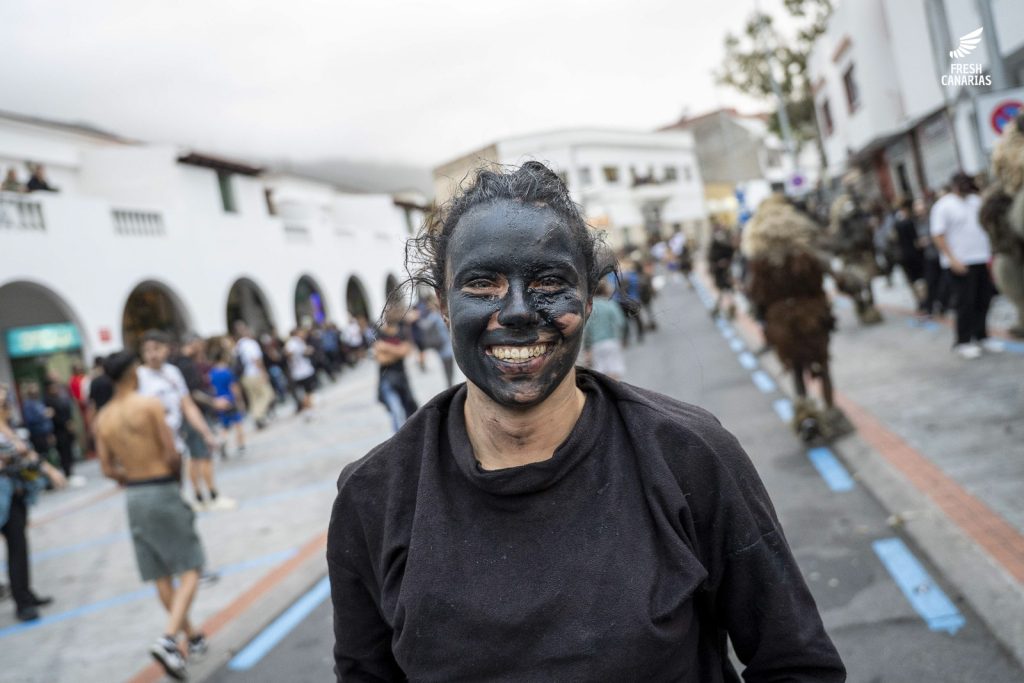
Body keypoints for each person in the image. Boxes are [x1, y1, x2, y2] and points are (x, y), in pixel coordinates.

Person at [327, 162, 844, 680]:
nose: (518, 311)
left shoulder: (689, 456)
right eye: (482, 284)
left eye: (549, 282)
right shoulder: (372, 498)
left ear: (590, 298)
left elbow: (797, 663)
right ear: (442, 304)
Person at [94, 351, 207, 680]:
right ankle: (170, 638)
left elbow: (106, 468)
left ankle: (192, 636)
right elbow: (171, 453)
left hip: (134, 494)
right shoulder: (149, 405)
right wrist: (168, 477)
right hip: (160, 486)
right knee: (191, 566)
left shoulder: (103, 417)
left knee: (160, 572)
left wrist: (130, 476)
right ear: (132, 373)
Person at [1, 384, 66, 622]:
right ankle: (23, 601)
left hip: (14, 493)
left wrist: (49, 471)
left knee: (18, 546)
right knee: (16, 546)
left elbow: (27, 453)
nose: (6, 405)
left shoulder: (7, 426)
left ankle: (25, 595)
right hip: (3, 496)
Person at [136, 331, 220, 507]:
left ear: (166, 349)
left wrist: (206, 433)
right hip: (152, 446)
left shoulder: (172, 372)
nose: (152, 354)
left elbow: (187, 405)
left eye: (156, 349)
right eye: (147, 350)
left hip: (175, 444)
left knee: (176, 490)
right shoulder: (138, 376)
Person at [930, 172, 1002, 359]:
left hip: (980, 258)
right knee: (965, 303)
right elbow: (938, 235)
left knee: (983, 299)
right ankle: (963, 341)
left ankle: (982, 336)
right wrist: (952, 259)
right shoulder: (943, 205)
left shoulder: (975, 201)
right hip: (960, 262)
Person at [171, 334, 235, 510]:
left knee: (194, 457)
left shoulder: (177, 363)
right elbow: (192, 394)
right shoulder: (186, 365)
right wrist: (213, 402)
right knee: (204, 455)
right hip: (195, 415)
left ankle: (199, 496)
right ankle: (212, 495)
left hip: (189, 416)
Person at [373, 305, 419, 431]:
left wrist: (386, 348)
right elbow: (381, 358)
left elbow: (406, 351)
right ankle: (398, 438)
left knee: (408, 408)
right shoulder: (380, 334)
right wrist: (397, 352)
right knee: (396, 411)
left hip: (401, 378)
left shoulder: (402, 332)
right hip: (387, 379)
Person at [583, 279, 627, 379]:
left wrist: (587, 348)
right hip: (611, 341)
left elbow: (587, 329)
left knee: (601, 375)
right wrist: (622, 338)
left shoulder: (589, 309)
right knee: (615, 371)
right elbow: (621, 322)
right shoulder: (611, 304)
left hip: (596, 344)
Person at [233, 322, 274, 429]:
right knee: (267, 394)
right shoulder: (250, 343)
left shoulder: (238, 345)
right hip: (254, 373)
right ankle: (258, 415)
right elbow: (256, 360)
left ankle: (258, 417)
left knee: (254, 398)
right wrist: (263, 372)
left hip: (244, 376)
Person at [208, 348, 247, 457]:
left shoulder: (212, 373)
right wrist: (239, 400)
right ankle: (241, 445)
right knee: (238, 423)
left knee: (225, 426)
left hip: (219, 401)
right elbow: (234, 387)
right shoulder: (227, 372)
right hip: (230, 400)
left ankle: (223, 441)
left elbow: (212, 389)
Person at [44, 380, 77, 479]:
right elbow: (53, 416)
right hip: (58, 430)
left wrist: (70, 422)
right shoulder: (48, 401)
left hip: (66, 429)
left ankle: (70, 471)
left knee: (69, 450)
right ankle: (67, 472)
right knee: (63, 452)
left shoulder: (61, 398)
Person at [707, 221, 737, 319]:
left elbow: (731, 253)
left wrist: (727, 262)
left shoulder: (726, 240)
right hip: (719, 271)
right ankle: (719, 308)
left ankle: (728, 308)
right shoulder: (714, 243)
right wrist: (716, 265)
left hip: (727, 270)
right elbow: (711, 257)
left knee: (727, 290)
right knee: (722, 290)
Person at [285, 328, 317, 418]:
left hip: (302, 371)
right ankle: (308, 410)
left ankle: (309, 409)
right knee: (307, 392)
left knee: (307, 393)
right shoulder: (293, 342)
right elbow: (289, 353)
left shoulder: (297, 342)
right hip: (302, 372)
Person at [20, 383, 55, 462]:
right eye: (33, 390)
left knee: (48, 454)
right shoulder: (28, 404)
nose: (36, 392)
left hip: (46, 433)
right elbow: (30, 420)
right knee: (42, 456)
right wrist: (43, 415)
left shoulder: (39, 402)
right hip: (37, 434)